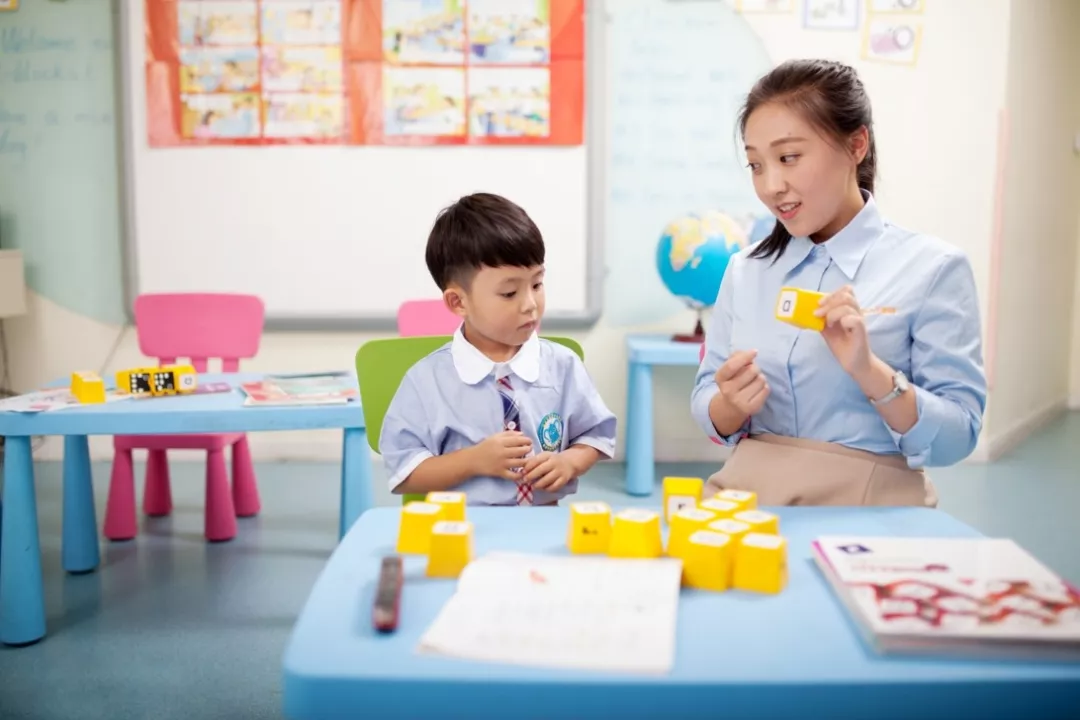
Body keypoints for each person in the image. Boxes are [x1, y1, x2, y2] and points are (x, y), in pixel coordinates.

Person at [691, 59, 986, 506]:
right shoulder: (745, 269)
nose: (771, 185)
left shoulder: (933, 269)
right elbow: (707, 396)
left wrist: (871, 372)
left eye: (789, 157)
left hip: (871, 508)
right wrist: (729, 405)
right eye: (755, 165)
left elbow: (958, 437)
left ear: (857, 145)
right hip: (745, 500)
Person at [380, 193, 617, 505]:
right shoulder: (426, 381)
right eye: (509, 293)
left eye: (537, 284)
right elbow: (405, 473)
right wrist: (474, 460)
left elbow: (595, 435)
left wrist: (570, 462)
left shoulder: (562, 365)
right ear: (459, 302)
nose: (530, 304)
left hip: (544, 522)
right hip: (462, 527)